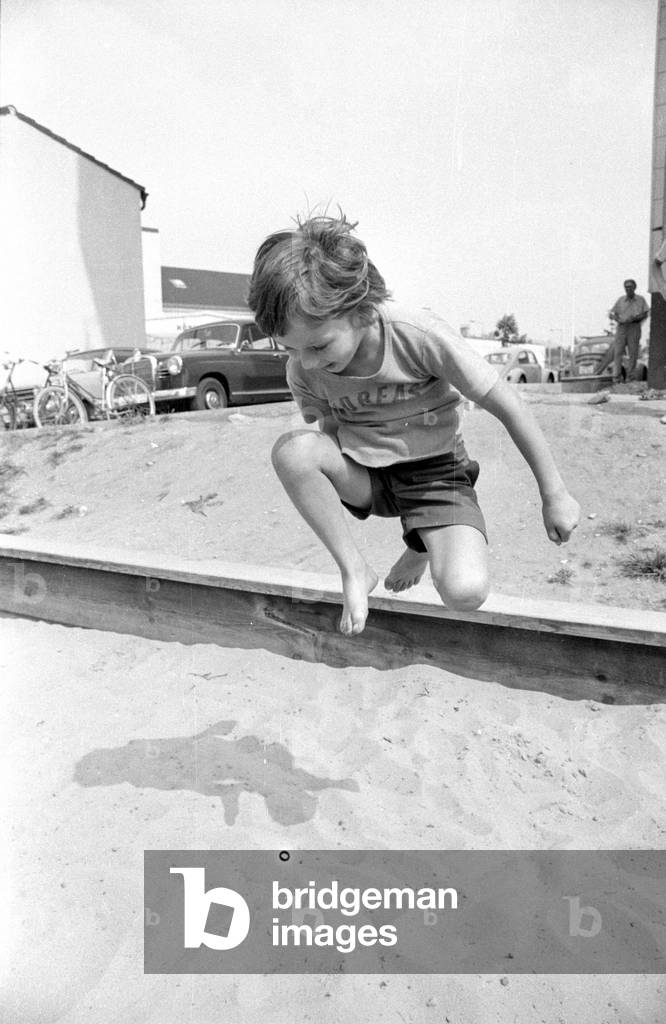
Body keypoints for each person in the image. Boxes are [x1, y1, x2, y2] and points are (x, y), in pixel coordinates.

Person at [248, 213, 580, 636]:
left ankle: (421, 543)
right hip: (368, 474)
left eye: (318, 345)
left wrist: (554, 494)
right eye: (292, 350)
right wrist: (334, 476)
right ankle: (355, 570)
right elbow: (329, 427)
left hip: (435, 474)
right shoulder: (305, 367)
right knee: (292, 451)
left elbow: (507, 404)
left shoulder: (415, 333)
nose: (307, 361)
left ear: (362, 310)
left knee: (466, 591)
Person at [608, 280, 649, 383]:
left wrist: (634, 318)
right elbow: (612, 314)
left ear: (635, 287)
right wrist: (617, 319)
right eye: (626, 287)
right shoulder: (621, 300)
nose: (628, 289)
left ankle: (630, 377)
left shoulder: (640, 300)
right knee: (617, 352)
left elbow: (645, 314)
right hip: (621, 327)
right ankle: (616, 378)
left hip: (634, 327)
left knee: (633, 353)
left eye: (630, 287)